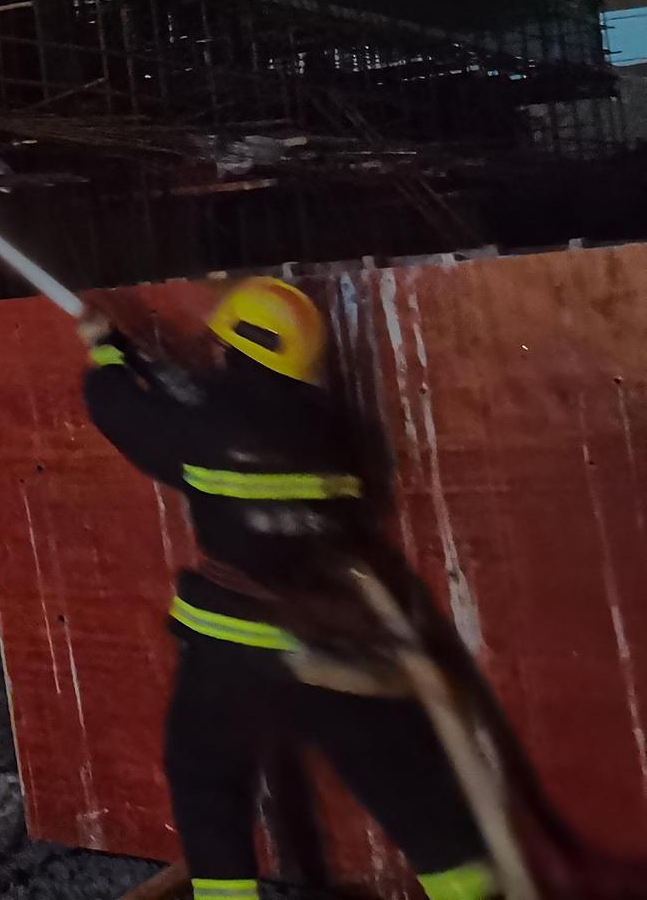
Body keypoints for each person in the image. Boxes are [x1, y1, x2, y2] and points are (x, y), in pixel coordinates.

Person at [78, 276, 497, 900]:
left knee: (209, 780)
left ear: (236, 346)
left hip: (232, 651)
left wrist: (106, 354)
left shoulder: (205, 424)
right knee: (402, 783)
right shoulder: (334, 433)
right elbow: (234, 425)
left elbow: (127, 417)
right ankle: (473, 892)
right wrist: (163, 372)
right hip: (332, 644)